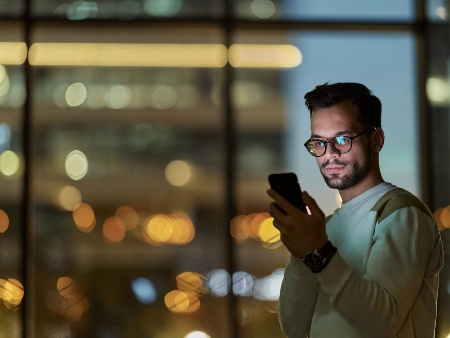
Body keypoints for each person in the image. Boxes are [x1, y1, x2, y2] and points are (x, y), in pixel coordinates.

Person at [267, 82, 444, 338]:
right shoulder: (324, 228)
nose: (330, 154)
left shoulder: (401, 213)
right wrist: (300, 255)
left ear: (377, 140)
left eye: (342, 139)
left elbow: (381, 323)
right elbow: (295, 327)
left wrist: (319, 250)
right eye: (319, 143)